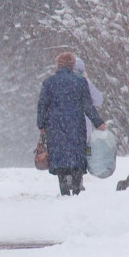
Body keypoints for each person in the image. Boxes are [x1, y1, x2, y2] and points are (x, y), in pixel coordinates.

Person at [37, 52, 106, 196]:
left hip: (55, 125)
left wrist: (41, 125)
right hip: (75, 124)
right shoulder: (80, 82)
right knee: (76, 156)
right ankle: (76, 188)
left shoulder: (49, 83)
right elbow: (88, 105)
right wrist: (98, 122)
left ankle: (63, 188)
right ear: (73, 65)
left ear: (58, 64)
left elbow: (42, 105)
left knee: (59, 156)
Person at [72, 57, 104, 190]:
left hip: (63, 125)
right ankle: (77, 181)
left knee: (67, 151)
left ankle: (68, 178)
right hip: (83, 124)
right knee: (80, 152)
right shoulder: (84, 82)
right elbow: (98, 100)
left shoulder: (57, 82)